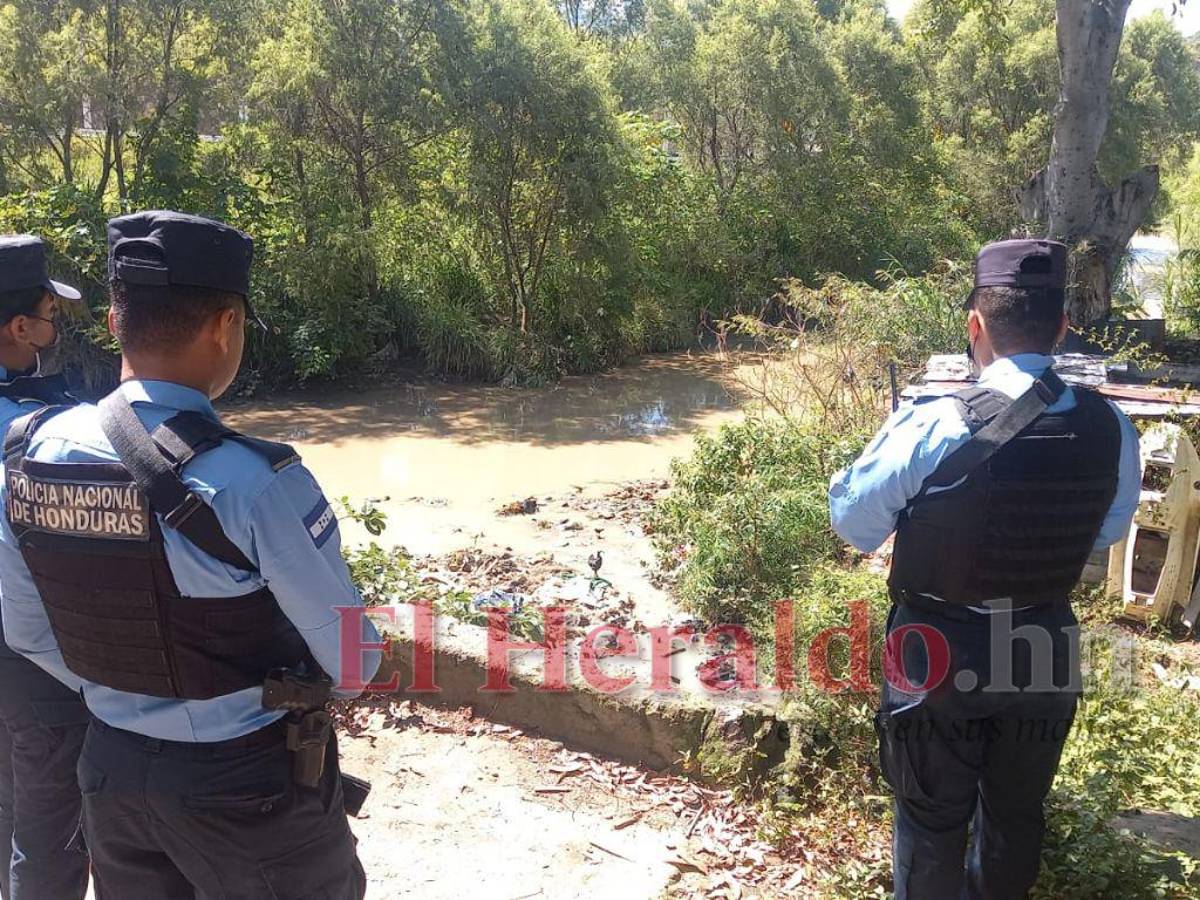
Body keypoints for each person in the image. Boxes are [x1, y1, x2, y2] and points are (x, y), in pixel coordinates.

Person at [0, 211, 382, 899]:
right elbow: (356, 660)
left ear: (115, 323)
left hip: (110, 773)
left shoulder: (30, 455)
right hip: (248, 787)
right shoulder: (258, 481)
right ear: (224, 327)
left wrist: (122, 690)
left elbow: (27, 632)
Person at [828, 239, 1141, 899]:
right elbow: (1107, 533)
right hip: (1045, 648)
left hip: (934, 653)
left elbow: (854, 525)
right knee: (1016, 817)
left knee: (931, 821)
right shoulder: (1113, 428)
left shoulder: (933, 422)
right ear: (1061, 327)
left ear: (975, 327)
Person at [0, 235, 93, 900]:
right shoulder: (38, 433)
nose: (56, 329)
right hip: (38, 671)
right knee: (50, 840)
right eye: (50, 316)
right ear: (20, 328)